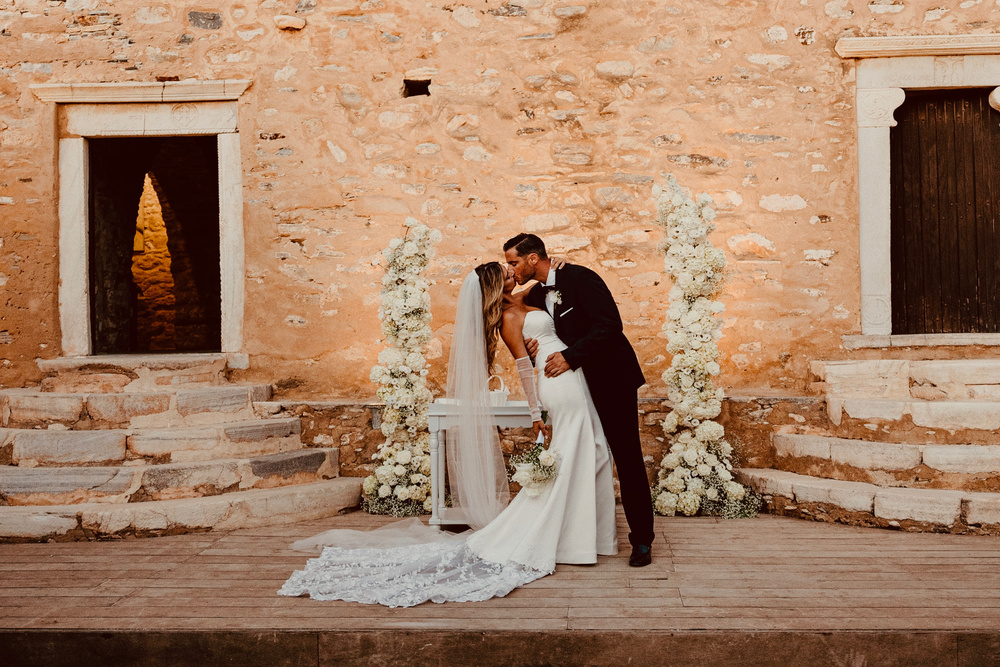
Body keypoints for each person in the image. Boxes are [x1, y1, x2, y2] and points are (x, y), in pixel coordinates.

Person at [279, 262, 617, 607]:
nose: (512, 271)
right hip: (556, 380)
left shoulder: (529, 295)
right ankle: (568, 541)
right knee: (577, 451)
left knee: (592, 448)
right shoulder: (507, 318)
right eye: (506, 271)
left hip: (573, 373)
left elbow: (553, 283)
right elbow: (522, 365)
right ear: (495, 285)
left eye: (511, 266)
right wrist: (535, 412)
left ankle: (585, 536)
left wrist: (559, 264)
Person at [503, 233, 655, 567]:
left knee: (626, 456)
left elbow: (610, 326)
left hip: (611, 378)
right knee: (588, 452)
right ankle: (582, 533)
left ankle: (642, 540)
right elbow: (526, 317)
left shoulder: (582, 278)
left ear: (532, 258)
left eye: (513, 261)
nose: (510, 268)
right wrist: (530, 345)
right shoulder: (537, 292)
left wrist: (570, 357)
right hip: (575, 387)